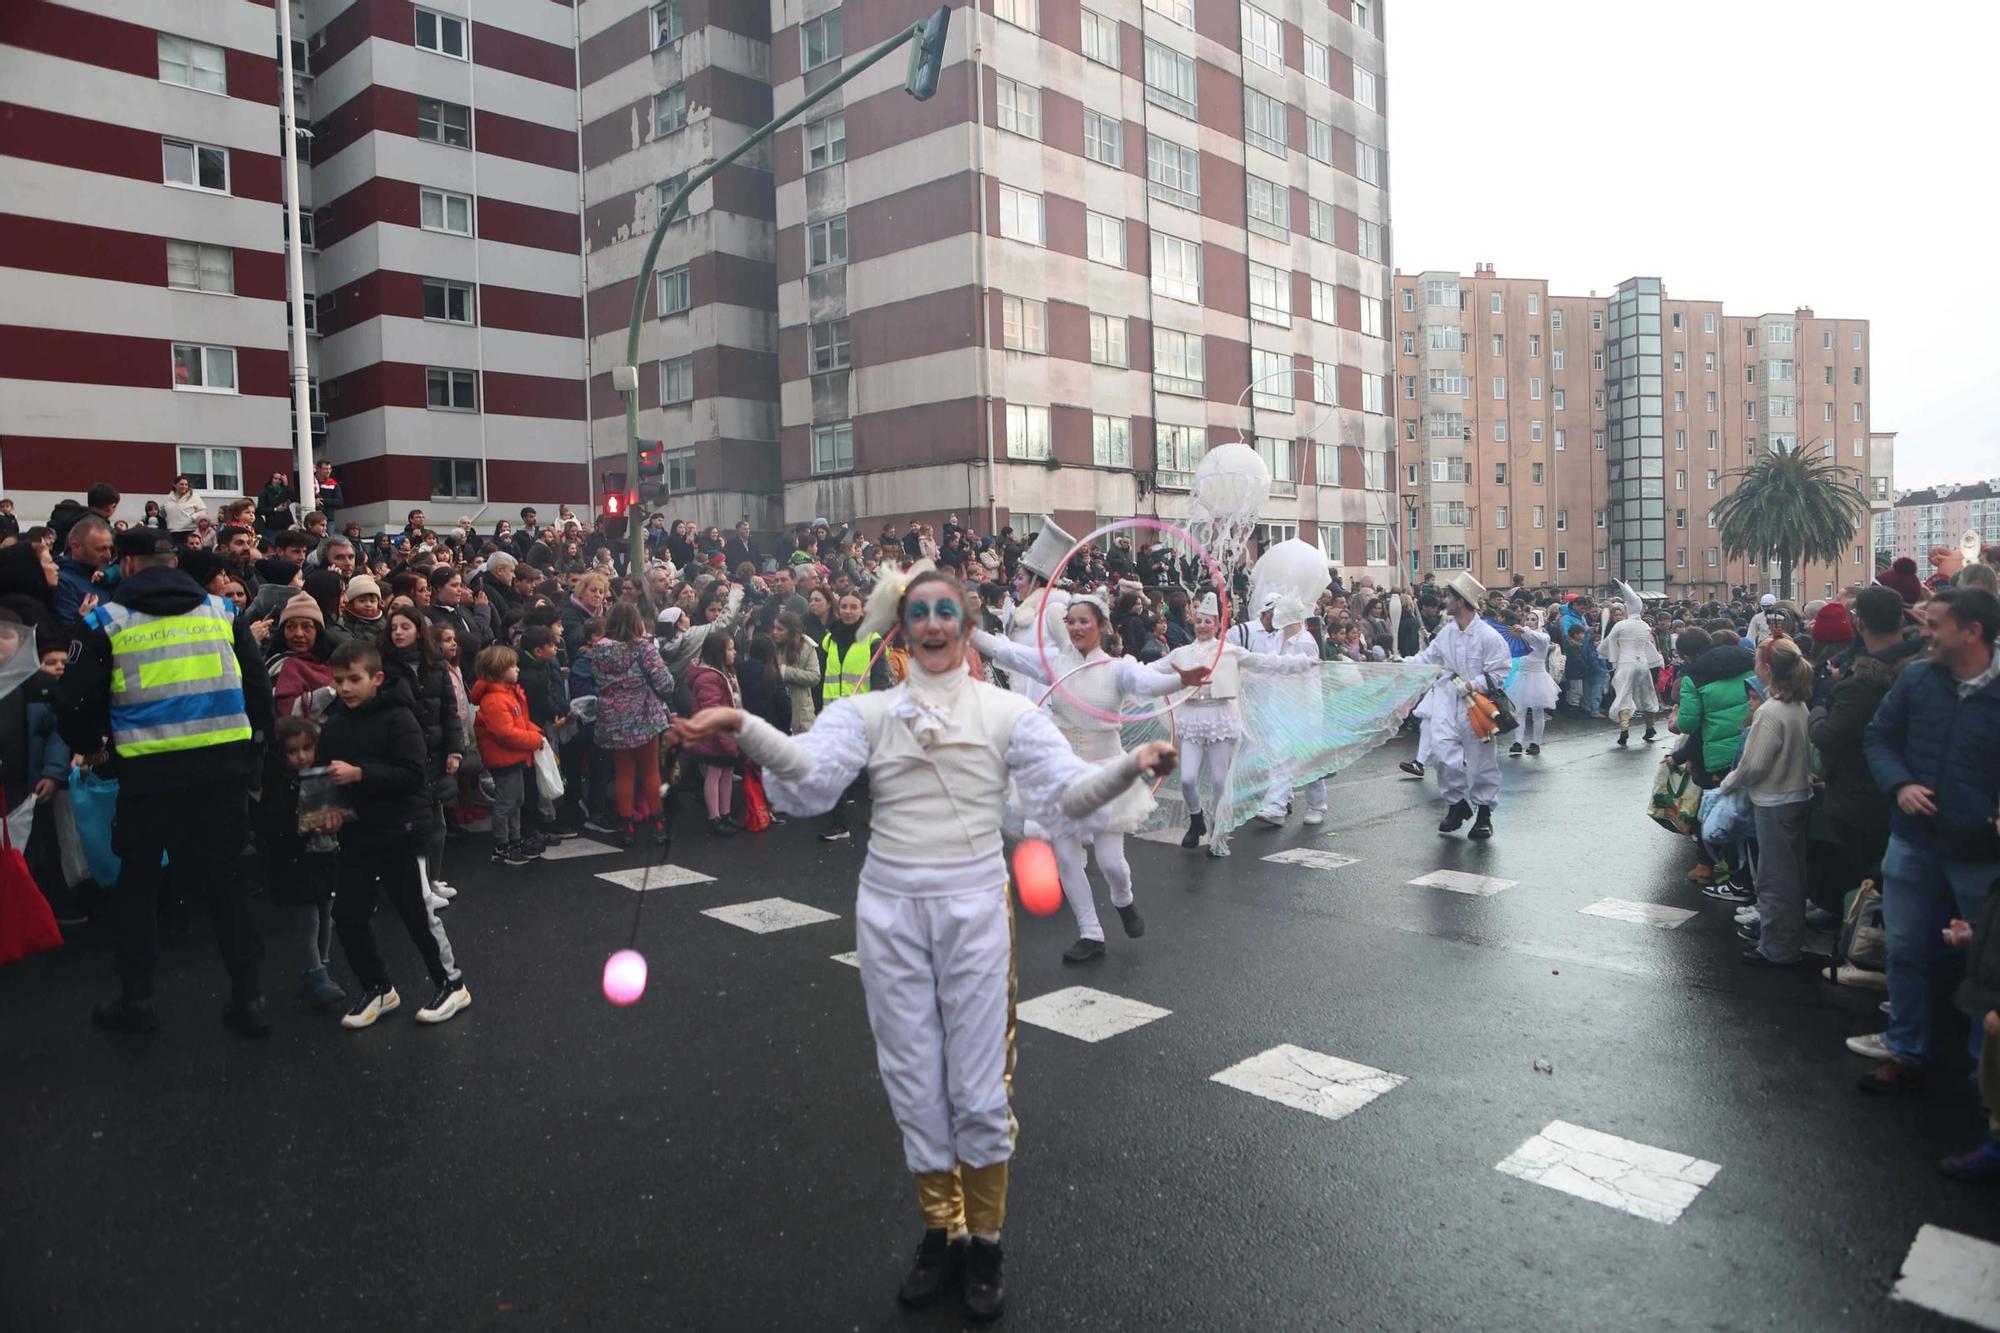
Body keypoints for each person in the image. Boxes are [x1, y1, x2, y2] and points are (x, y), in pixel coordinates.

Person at [674, 568, 1179, 1322]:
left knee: (978, 1086)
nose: (935, 623)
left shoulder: (1010, 712)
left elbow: (1066, 793)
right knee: (912, 1078)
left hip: (975, 911)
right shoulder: (868, 712)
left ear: (968, 627)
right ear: (903, 630)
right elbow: (811, 775)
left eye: (949, 611)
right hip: (890, 915)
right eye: (920, 613)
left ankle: (986, 1244)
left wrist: (1129, 766)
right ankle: (942, 1232)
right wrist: (743, 727)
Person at [59, 528, 273, 1036]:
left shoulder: (104, 621)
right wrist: (254, 754)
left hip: (147, 777)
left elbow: (73, 702)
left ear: (128, 565)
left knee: (138, 886)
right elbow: (257, 687)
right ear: (174, 563)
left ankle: (138, 1000)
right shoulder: (223, 613)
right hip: (221, 771)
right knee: (225, 883)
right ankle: (249, 996)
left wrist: (94, 746)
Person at [973, 596, 1209, 961]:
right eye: (1071, 621)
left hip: (1106, 772)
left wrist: (1180, 680)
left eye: (1084, 621)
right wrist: (959, 627)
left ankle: (1123, 899)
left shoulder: (1117, 668)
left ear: (1101, 626)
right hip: (1062, 774)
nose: (1076, 627)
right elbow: (1004, 651)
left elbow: (1148, 683)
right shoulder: (1055, 663)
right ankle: (1090, 932)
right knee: (1067, 858)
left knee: (1111, 862)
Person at [1858, 587, 2000, 1093]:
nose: (1924, 634)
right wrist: (1900, 784)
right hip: (1913, 841)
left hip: (1981, 854)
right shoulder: (1917, 678)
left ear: (1973, 632)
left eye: (1936, 625)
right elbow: (1879, 737)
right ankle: (1906, 1048)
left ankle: (1986, 1079)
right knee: (1904, 949)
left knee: (1988, 967)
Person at [317, 640, 469, 1029]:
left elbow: (413, 775)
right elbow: (324, 775)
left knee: (417, 914)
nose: (345, 687)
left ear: (377, 678)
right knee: (347, 915)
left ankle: (451, 984)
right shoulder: (334, 723)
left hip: (402, 831)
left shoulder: (400, 718)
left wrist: (360, 774)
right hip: (357, 834)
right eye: (339, 680)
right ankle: (378, 987)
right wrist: (326, 811)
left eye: (354, 679)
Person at [1150, 592, 1315, 857]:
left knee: (1219, 781)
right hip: (1191, 719)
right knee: (1188, 779)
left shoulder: (1230, 651)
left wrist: (1301, 663)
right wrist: (1118, 668)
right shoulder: (1181, 653)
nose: (1203, 626)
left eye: (1208, 622)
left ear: (1217, 625)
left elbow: (1266, 662)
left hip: (1221, 719)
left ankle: (1218, 827)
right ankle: (1196, 820)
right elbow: (1152, 670)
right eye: (1199, 621)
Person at [1723, 640, 1816, 966]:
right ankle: (1784, 940)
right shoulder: (1798, 704)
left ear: (1766, 668)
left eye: (1757, 662)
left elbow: (1755, 765)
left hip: (1774, 799)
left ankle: (1777, 949)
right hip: (1796, 794)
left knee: (1774, 878)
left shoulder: (1770, 711)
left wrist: (1729, 783)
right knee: (1791, 874)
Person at [1409, 572, 1512, 839]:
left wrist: (1474, 684)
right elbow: (1427, 658)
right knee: (1441, 752)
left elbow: (1501, 671)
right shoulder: (1446, 633)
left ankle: (1484, 813)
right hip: (1446, 699)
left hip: (1477, 704)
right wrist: (1399, 664)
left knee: (1480, 761)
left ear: (1461, 601)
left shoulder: (1489, 636)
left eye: (1449, 597)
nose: (1445, 601)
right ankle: (1456, 804)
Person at [256, 715, 344, 1011]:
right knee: (309, 920)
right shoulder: (278, 784)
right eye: (292, 751)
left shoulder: (323, 775)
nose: (302, 756)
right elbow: (273, 824)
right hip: (295, 862)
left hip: (325, 855)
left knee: (327, 913)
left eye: (307, 748)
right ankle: (315, 974)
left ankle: (322, 965)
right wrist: (303, 826)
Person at [381, 605, 466, 903]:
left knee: (437, 821)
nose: (398, 633)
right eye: (394, 628)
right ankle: (419, 889)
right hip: (405, 754)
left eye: (405, 627)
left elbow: (449, 711)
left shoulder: (436, 664)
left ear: (419, 631)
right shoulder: (385, 665)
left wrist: (455, 749)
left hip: (436, 752)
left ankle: (432, 879)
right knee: (414, 824)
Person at [592, 602, 675, 847]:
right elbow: (665, 682)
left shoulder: (599, 649)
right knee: (650, 771)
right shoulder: (644, 648)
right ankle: (658, 824)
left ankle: (626, 825)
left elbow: (598, 680)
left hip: (613, 717)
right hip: (644, 714)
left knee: (624, 773)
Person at [817, 590, 894, 841]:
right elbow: (824, 677)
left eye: (853, 607)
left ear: (863, 610)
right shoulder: (829, 639)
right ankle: (839, 824)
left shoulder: (873, 640)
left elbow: (881, 679)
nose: (848, 611)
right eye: (844, 607)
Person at [471, 644, 544, 867]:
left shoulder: (507, 694)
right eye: (513, 666)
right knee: (506, 802)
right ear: (499, 669)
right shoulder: (495, 700)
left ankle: (515, 839)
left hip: (513, 757)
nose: (517, 669)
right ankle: (502, 845)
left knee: (516, 800)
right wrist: (534, 739)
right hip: (503, 759)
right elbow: (505, 733)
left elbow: (520, 723)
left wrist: (536, 732)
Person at [685, 631, 744, 836]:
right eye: (730, 649)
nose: (734, 653)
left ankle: (725, 813)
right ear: (719, 652)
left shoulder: (723, 673)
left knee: (726, 772)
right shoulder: (709, 678)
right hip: (715, 735)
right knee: (715, 772)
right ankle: (715, 817)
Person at [1602, 600, 1665, 747]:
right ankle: (1650, 727)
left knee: (1624, 693)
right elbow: (1648, 644)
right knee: (1647, 693)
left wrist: (1606, 653)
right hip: (1642, 663)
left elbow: (1610, 641)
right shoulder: (1645, 625)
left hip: (1626, 663)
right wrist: (1655, 660)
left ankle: (1624, 729)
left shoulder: (1621, 625)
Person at [1502, 611, 1558, 757]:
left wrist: (1524, 630)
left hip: (1538, 677)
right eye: (1527, 619)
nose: (1529, 621)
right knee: (1519, 711)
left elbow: (1538, 639)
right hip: (1522, 675)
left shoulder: (1544, 636)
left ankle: (1536, 743)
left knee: (1537, 712)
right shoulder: (1521, 635)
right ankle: (1518, 742)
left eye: (1533, 619)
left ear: (1540, 621)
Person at [771, 612, 822, 734]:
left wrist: (785, 672)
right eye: (774, 628)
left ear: (791, 631)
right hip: (778, 710)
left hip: (801, 713)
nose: (775, 632)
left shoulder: (807, 647)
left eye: (780, 629)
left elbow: (814, 676)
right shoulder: (770, 646)